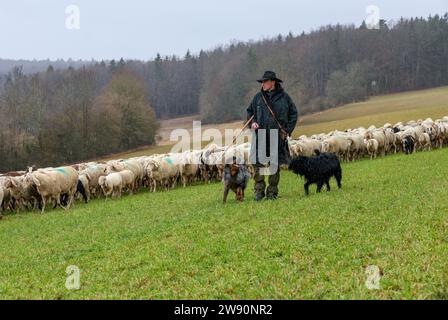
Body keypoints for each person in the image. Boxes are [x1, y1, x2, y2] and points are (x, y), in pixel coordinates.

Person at [246, 71, 298, 201]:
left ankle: (272, 192)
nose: (263, 84)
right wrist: (252, 123)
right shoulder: (258, 97)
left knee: (274, 164)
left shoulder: (284, 97)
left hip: (276, 135)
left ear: (273, 82)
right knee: (258, 163)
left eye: (265, 81)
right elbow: (250, 112)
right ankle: (259, 191)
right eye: (262, 82)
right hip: (260, 134)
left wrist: (287, 130)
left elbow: (293, 114)